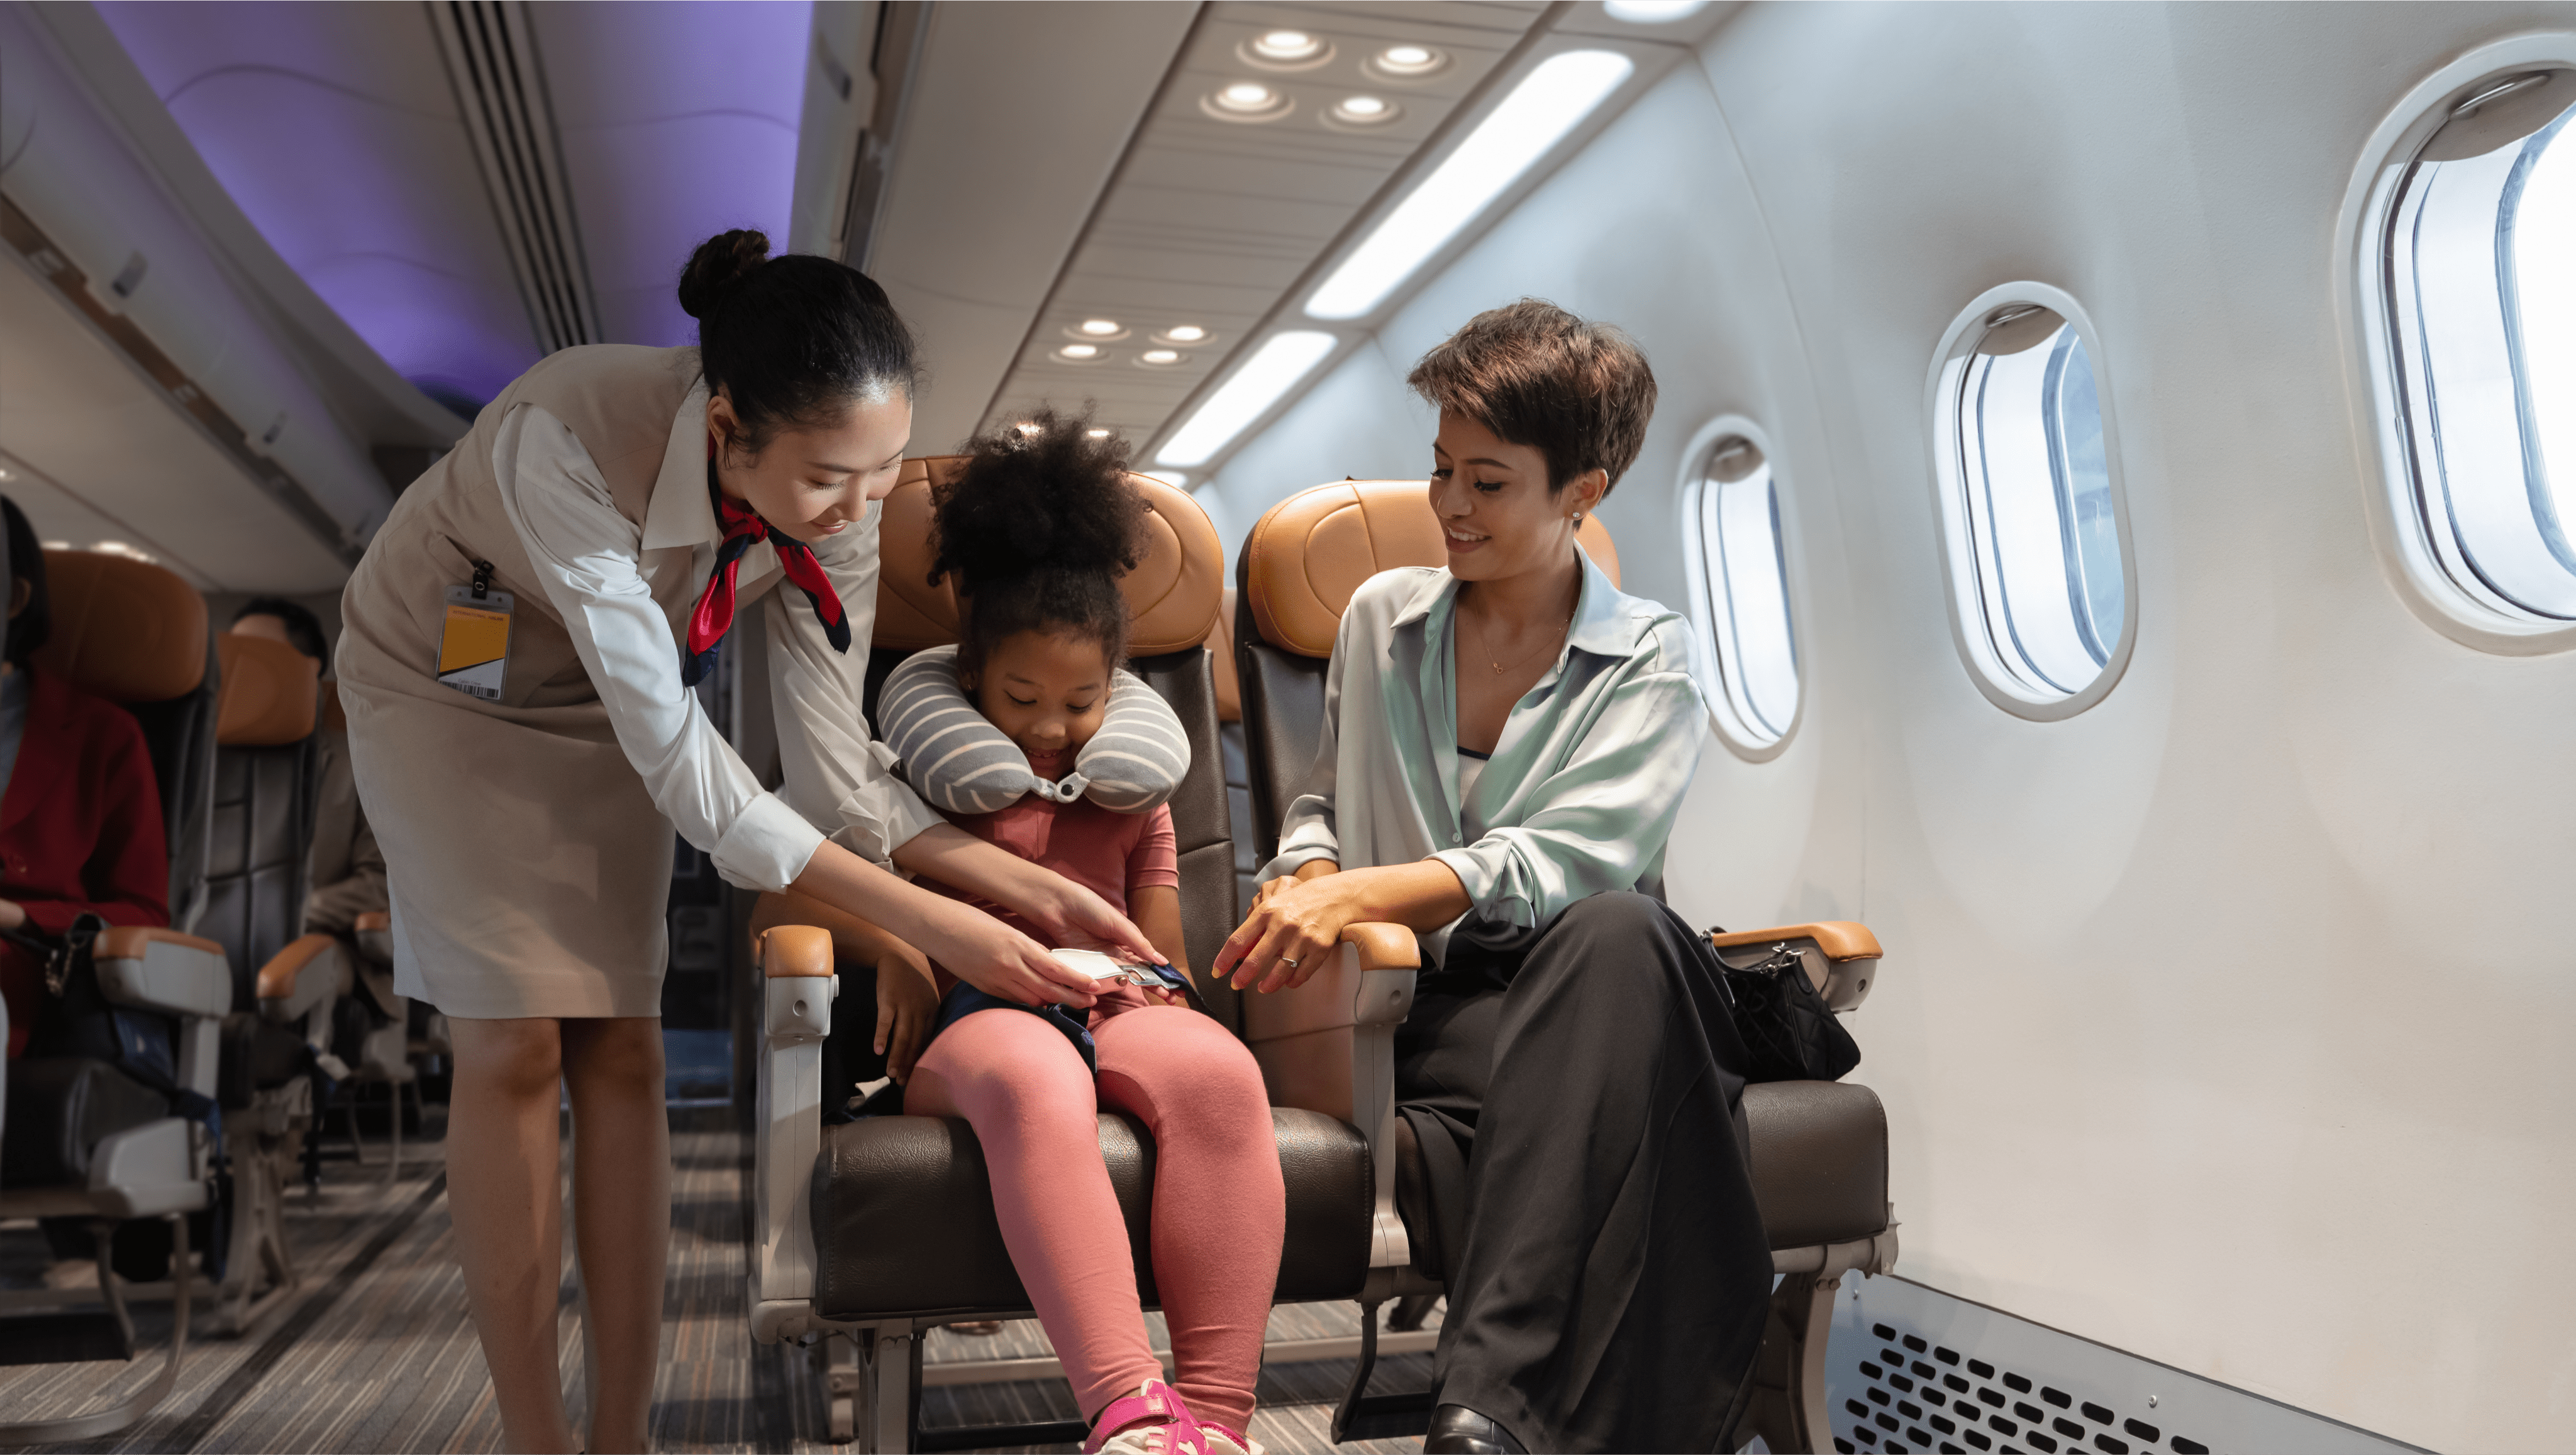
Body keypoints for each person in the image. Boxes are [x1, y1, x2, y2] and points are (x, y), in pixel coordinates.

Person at [334, 231, 1160, 1455]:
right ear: (727, 430)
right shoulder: (560, 434)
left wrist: (997, 887)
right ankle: (530, 1435)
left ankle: (619, 1430)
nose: (859, 506)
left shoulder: (837, 503)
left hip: (607, 711)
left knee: (619, 1043)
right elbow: (683, 763)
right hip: (451, 684)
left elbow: (836, 768)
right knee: (509, 1036)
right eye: (833, 476)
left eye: (884, 471)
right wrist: (932, 920)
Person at [1217, 301, 1772, 1455]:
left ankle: (1483, 1406)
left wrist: (1365, 891)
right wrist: (1309, 866)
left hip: (1615, 991)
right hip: (1437, 999)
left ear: (1584, 490)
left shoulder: (1653, 656)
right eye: (1440, 473)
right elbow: (1321, 799)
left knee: (1617, 927)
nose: (1450, 508)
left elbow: (1571, 859)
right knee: (1546, 1087)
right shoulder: (1379, 621)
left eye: (1489, 481)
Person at [766, 413, 1281, 1455]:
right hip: (979, 1023)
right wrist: (903, 949)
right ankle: (1129, 1411)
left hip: (1115, 1003)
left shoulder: (1137, 786)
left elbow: (1159, 950)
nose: (1051, 727)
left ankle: (1217, 1424)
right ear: (968, 674)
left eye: (1083, 701)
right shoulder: (900, 771)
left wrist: (1165, 996)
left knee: (1221, 1075)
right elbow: (787, 896)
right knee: (1037, 1081)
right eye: (1021, 697)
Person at [0, 498, 172, 1061]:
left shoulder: (102, 736)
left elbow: (144, 913)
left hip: (25, 978)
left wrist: (21, 916)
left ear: (15, 598)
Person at [229, 598, 387, 944]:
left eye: (258, 653)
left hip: (319, 942)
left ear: (309, 667)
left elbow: (381, 882)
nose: (242, 665)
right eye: (234, 653)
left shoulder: (364, 762)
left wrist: (287, 915)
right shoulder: (207, 765)